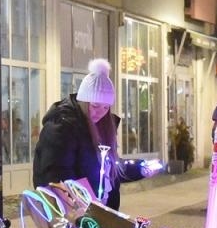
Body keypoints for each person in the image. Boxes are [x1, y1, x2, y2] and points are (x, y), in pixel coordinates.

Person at [34, 59, 157, 210]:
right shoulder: (62, 126)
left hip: (97, 212)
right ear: (84, 101)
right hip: (76, 214)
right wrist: (78, 203)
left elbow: (110, 167)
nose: (100, 112)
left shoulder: (101, 127)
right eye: (95, 105)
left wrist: (140, 169)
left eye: (106, 107)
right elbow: (56, 174)